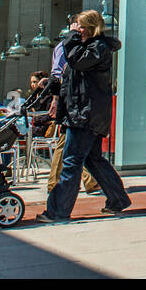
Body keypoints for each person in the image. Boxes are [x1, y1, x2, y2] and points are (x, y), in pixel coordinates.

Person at [36, 9, 131, 223]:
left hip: (86, 115)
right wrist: (53, 87)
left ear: (88, 28)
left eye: (78, 26)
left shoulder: (97, 48)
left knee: (71, 160)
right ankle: (118, 199)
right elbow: (74, 79)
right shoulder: (86, 48)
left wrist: (71, 38)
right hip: (84, 112)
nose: (74, 30)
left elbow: (76, 61)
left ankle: (58, 211)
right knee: (93, 159)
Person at [46, 15, 99, 196]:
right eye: (79, 26)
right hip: (67, 101)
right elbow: (57, 74)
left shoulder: (84, 48)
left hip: (77, 102)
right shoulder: (64, 47)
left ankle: (89, 181)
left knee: (77, 144)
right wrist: (56, 100)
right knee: (66, 142)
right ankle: (54, 182)